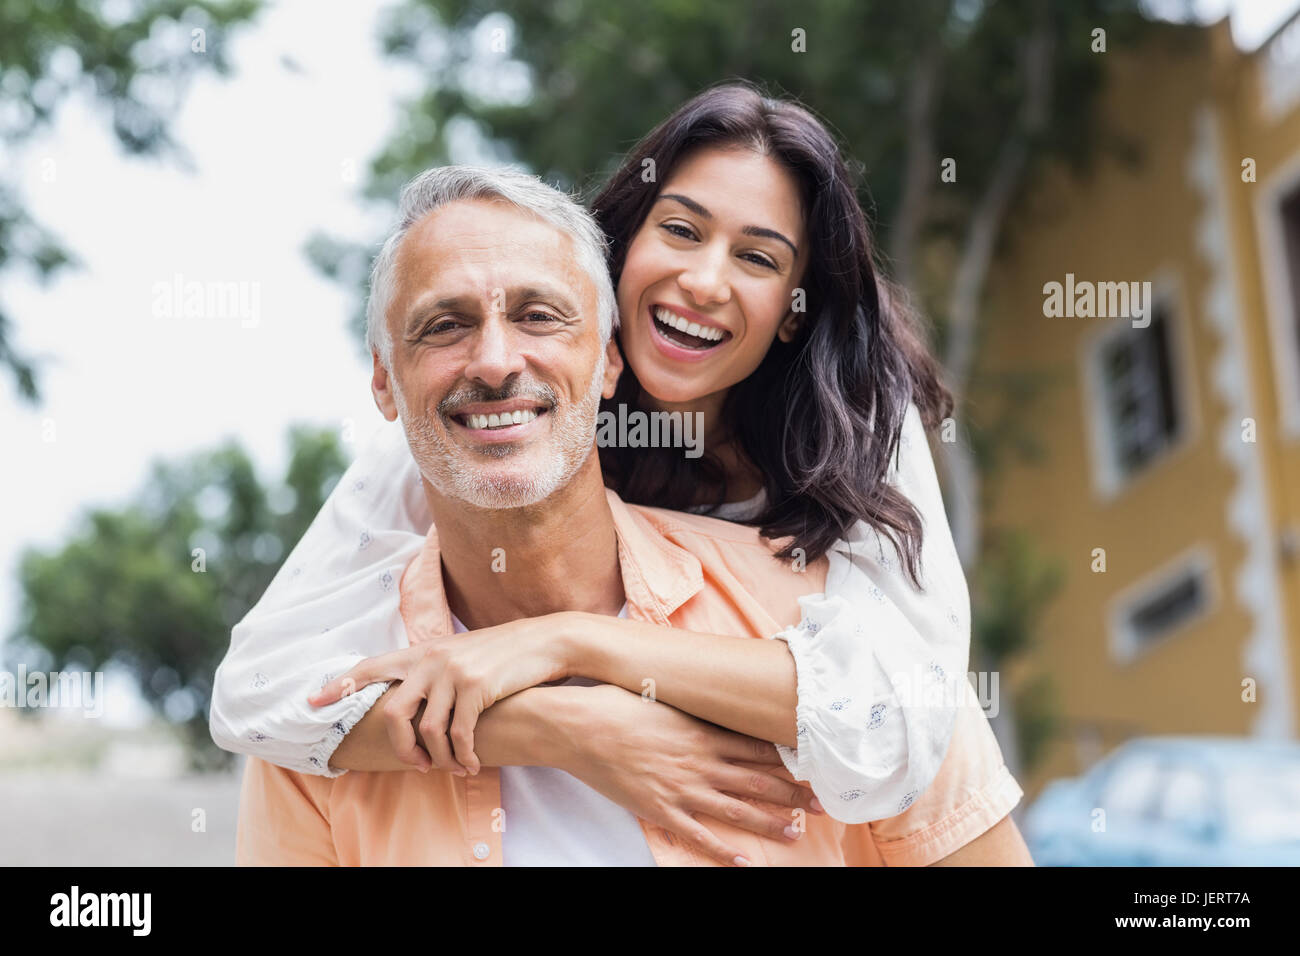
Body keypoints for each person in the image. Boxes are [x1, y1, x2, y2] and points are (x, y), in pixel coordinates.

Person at [211, 82, 972, 850]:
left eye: (756, 257)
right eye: (680, 229)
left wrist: (572, 643)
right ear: (620, 254)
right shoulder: (484, 408)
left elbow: (905, 712)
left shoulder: (857, 425)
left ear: (793, 311)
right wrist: (556, 724)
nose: (705, 283)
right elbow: (255, 692)